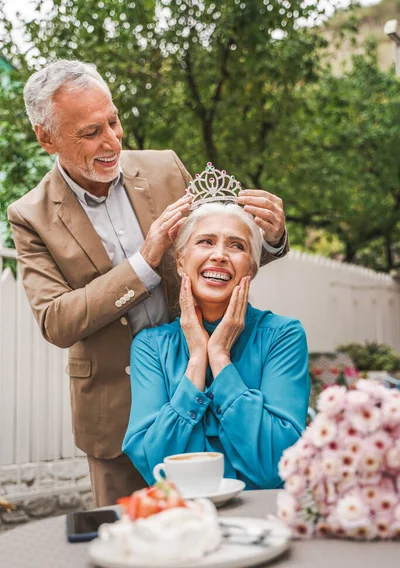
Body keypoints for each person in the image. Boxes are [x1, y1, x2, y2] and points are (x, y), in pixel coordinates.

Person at [7, 59, 289, 505]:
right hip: (114, 416)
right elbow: (56, 321)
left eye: (113, 121)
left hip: (201, 390)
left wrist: (269, 240)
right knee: (130, 542)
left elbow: (214, 257)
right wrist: (143, 262)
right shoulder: (30, 215)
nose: (111, 140)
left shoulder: (166, 169)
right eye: (90, 132)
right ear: (47, 139)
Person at [123, 201, 310, 489]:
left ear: (251, 267)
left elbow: (278, 463)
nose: (220, 255)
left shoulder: (283, 336)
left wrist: (219, 357)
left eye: (236, 246)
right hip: (184, 519)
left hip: (263, 516)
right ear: (181, 259)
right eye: (206, 241)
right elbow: (154, 464)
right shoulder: (150, 347)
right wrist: (197, 359)